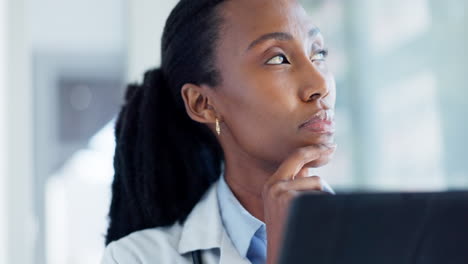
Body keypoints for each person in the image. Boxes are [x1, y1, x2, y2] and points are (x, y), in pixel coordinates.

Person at [101, 0, 337, 263]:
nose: (319, 84)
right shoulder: (136, 258)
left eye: (318, 54)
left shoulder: (381, 230)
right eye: (277, 58)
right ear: (204, 104)